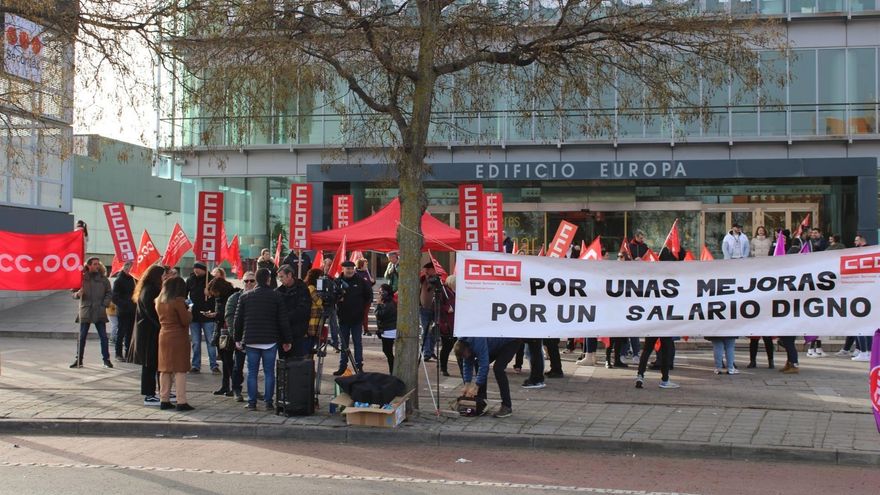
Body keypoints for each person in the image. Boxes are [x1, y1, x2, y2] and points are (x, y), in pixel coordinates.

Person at [233, 268, 293, 411]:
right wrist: (287, 340)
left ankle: (252, 402)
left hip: (251, 340)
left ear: (256, 280)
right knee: (269, 372)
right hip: (270, 340)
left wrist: (237, 338)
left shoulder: (245, 297)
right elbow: (282, 320)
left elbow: (238, 320)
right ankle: (268, 402)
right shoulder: (276, 296)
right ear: (268, 279)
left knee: (252, 372)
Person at [128, 264, 167, 406]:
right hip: (148, 333)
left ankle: (161, 389)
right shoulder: (150, 290)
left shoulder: (150, 289)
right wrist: (163, 324)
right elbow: (152, 313)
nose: (165, 278)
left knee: (155, 363)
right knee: (149, 364)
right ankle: (149, 394)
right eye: (163, 276)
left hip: (149, 332)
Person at [455, 336, 521, 418]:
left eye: (466, 355)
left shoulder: (478, 342)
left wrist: (476, 387)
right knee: (477, 363)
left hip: (510, 341)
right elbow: (467, 364)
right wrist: (467, 385)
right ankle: (482, 402)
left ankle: (507, 406)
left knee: (498, 369)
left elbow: (484, 365)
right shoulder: (463, 344)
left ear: (468, 349)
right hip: (493, 345)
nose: (466, 358)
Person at [156, 276, 195, 411]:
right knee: (180, 369)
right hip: (178, 336)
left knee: (165, 369)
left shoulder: (159, 301)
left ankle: (164, 399)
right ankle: (181, 401)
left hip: (163, 335)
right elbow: (185, 320)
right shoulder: (178, 301)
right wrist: (189, 311)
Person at [71, 258, 113, 369]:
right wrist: (78, 294)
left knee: (104, 337)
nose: (97, 266)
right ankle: (78, 359)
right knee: (82, 337)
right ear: (88, 265)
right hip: (85, 310)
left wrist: (104, 305)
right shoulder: (81, 278)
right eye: (94, 264)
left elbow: (109, 293)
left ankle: (106, 360)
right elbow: (73, 293)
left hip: (99, 311)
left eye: (98, 264)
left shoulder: (103, 280)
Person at [333, 261, 372, 375]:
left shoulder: (361, 281)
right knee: (343, 344)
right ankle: (342, 366)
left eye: (351, 268)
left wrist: (361, 308)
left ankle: (359, 366)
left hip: (357, 318)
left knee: (357, 343)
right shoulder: (337, 282)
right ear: (343, 269)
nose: (350, 271)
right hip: (343, 318)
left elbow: (368, 296)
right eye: (347, 268)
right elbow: (332, 297)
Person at [226, 271, 256, 402]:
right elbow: (229, 318)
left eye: (252, 281)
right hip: (240, 338)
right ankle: (236, 389)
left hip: (256, 337)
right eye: (246, 281)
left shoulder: (258, 297)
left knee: (254, 367)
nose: (249, 283)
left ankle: (254, 391)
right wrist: (236, 337)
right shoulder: (235, 298)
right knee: (238, 365)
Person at [207, 277, 239, 396]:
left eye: (215, 292)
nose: (214, 295)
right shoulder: (219, 298)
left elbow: (229, 314)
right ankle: (225, 386)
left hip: (228, 332)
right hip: (220, 331)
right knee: (225, 360)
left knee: (229, 361)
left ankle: (234, 386)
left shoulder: (232, 296)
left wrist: (216, 315)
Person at [186, 262, 218, 374]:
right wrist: (189, 305)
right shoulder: (190, 280)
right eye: (195, 269)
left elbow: (218, 295)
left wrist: (210, 293)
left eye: (198, 269)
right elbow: (185, 296)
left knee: (210, 341)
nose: (196, 271)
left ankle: (214, 365)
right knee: (195, 342)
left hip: (208, 315)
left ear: (204, 270)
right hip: (194, 316)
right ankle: (195, 365)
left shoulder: (212, 280)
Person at [276, 263, 313, 358]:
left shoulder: (303, 289)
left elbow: (303, 310)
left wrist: (285, 317)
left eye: (282, 277)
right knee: (283, 362)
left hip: (298, 333)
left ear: (289, 275)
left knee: (296, 363)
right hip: (282, 333)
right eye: (279, 277)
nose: (280, 279)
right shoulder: (278, 291)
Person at [112, 261, 137, 361]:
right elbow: (115, 297)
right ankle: (118, 354)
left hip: (133, 310)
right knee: (121, 332)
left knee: (130, 333)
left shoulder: (134, 279)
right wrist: (125, 304)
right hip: (123, 310)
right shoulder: (119, 280)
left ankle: (128, 353)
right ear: (126, 269)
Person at [437, 275, 457, 377]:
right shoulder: (443, 291)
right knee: (447, 347)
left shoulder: (456, 291)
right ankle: (443, 367)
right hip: (446, 324)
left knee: (458, 346)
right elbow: (437, 306)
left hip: (456, 324)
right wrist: (446, 308)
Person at [374, 283, 397, 373]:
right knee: (387, 351)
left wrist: (379, 305)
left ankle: (393, 370)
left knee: (388, 351)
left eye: (381, 292)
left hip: (389, 330)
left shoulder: (389, 303)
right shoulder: (387, 302)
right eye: (379, 292)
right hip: (386, 329)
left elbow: (379, 315)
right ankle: (392, 369)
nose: (380, 294)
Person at [419, 262, 439, 362]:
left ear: (433, 269)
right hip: (424, 307)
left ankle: (430, 350)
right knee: (425, 330)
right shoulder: (423, 279)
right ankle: (427, 352)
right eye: (425, 269)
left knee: (436, 331)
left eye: (428, 269)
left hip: (436, 308)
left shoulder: (437, 279)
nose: (426, 271)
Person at [304, 268, 325, 356]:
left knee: (311, 347)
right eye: (320, 277)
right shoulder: (311, 288)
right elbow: (319, 302)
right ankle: (307, 367)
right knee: (308, 347)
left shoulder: (314, 288)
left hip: (315, 320)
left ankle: (310, 367)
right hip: (312, 321)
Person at [355, 258, 376, 336]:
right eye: (365, 264)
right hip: (360, 298)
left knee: (365, 314)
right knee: (360, 314)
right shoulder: (356, 273)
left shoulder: (367, 272)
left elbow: (370, 283)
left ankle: (366, 330)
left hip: (368, 298)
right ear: (361, 265)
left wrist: (373, 281)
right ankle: (358, 329)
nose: (367, 265)